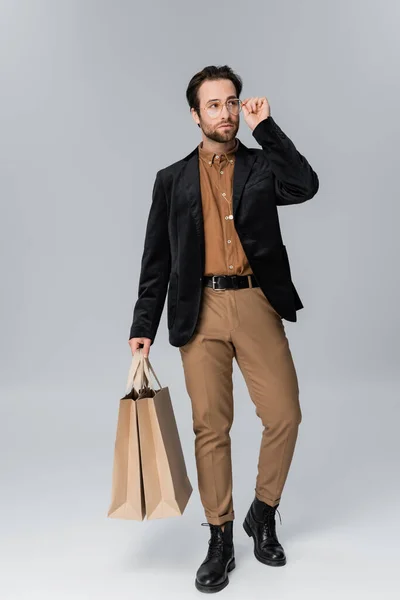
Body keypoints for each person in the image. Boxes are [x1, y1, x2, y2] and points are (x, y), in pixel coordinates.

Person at [128, 65, 319, 593]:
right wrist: (143, 324)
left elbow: (305, 185)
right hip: (200, 309)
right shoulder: (172, 180)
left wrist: (268, 129)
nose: (226, 112)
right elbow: (156, 260)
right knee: (210, 427)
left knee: (284, 414)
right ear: (195, 115)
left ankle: (263, 511)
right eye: (214, 105)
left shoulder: (262, 166)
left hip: (257, 301)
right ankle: (219, 537)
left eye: (232, 102)